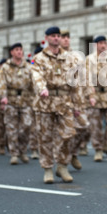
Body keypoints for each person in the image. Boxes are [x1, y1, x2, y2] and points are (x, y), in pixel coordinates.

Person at [31, 26, 81, 184]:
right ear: (46, 38)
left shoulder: (70, 58)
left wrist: (78, 105)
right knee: (45, 137)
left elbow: (75, 82)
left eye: (58, 36)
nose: (56, 38)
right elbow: (36, 74)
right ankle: (47, 169)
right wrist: (42, 88)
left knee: (68, 135)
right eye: (53, 36)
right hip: (46, 101)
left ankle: (62, 166)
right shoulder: (38, 58)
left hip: (65, 102)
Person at [0, 43, 34, 165]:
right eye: (17, 50)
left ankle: (23, 150)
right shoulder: (6, 67)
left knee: (26, 126)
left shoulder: (28, 67)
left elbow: (33, 84)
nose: (19, 52)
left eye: (21, 50)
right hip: (11, 100)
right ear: (12, 52)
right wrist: (3, 97)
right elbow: (1, 83)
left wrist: (36, 98)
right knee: (11, 128)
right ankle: (14, 153)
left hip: (25, 100)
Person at [60, 30, 90, 170]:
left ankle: (73, 154)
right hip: (62, 100)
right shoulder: (56, 56)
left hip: (78, 99)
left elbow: (85, 77)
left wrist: (90, 95)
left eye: (68, 37)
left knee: (83, 127)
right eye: (63, 37)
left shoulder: (77, 56)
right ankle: (63, 162)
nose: (66, 40)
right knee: (66, 132)